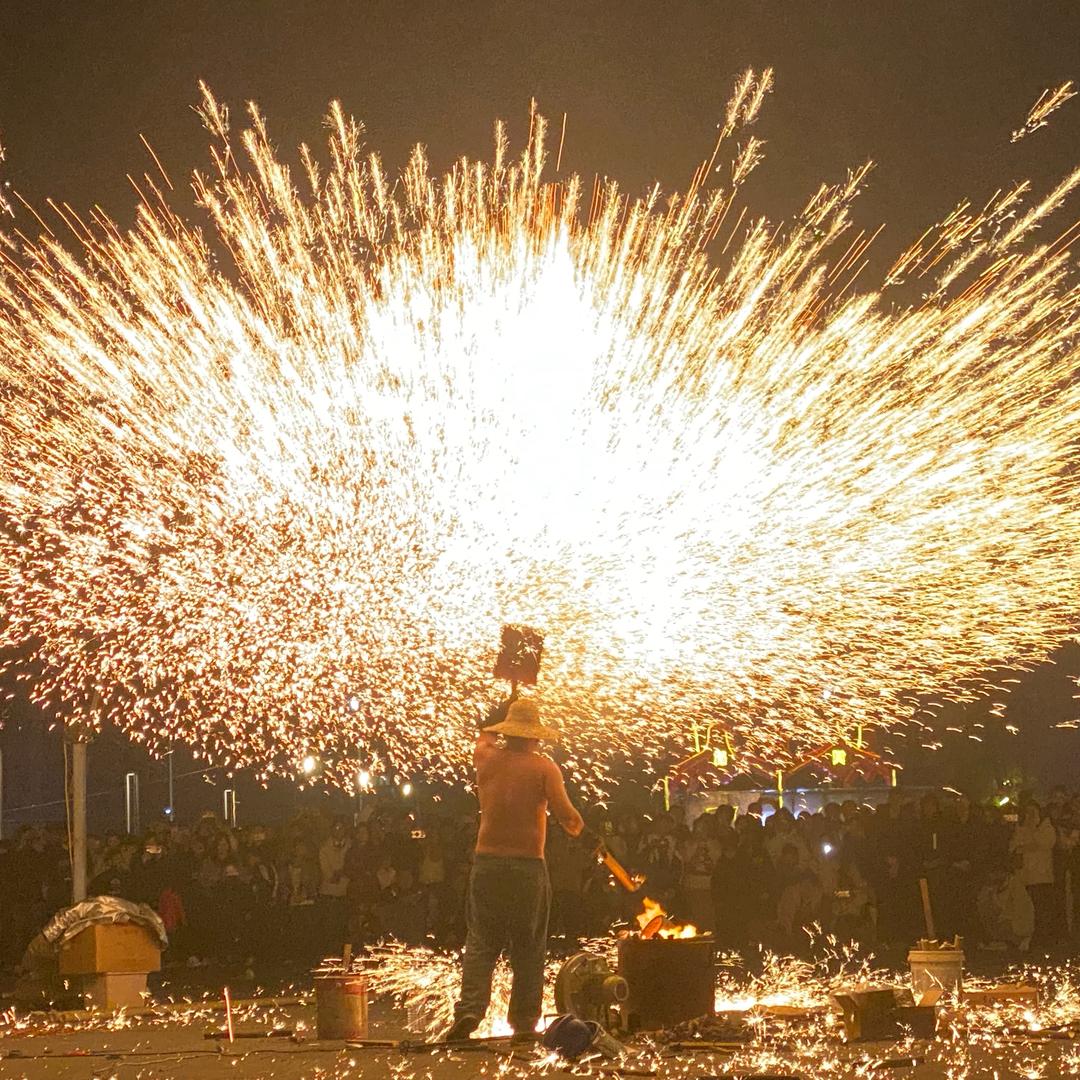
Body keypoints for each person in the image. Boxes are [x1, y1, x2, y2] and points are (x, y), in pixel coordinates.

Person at [447, 696, 584, 1043]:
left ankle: (468, 1012)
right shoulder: (544, 768)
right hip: (527, 867)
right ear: (535, 736)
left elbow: (483, 737)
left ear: (509, 731)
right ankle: (523, 1023)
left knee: (481, 941)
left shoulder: (486, 759)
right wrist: (578, 825)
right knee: (528, 945)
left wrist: (498, 716)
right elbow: (568, 818)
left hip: (487, 863)